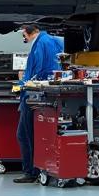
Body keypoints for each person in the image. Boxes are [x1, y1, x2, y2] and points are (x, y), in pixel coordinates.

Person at [13, 23, 64, 183]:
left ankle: (31, 172)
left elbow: (39, 73)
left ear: (27, 31)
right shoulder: (55, 40)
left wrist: (20, 85)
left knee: (24, 135)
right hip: (50, 95)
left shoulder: (40, 44)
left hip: (34, 95)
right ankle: (41, 168)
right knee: (40, 135)